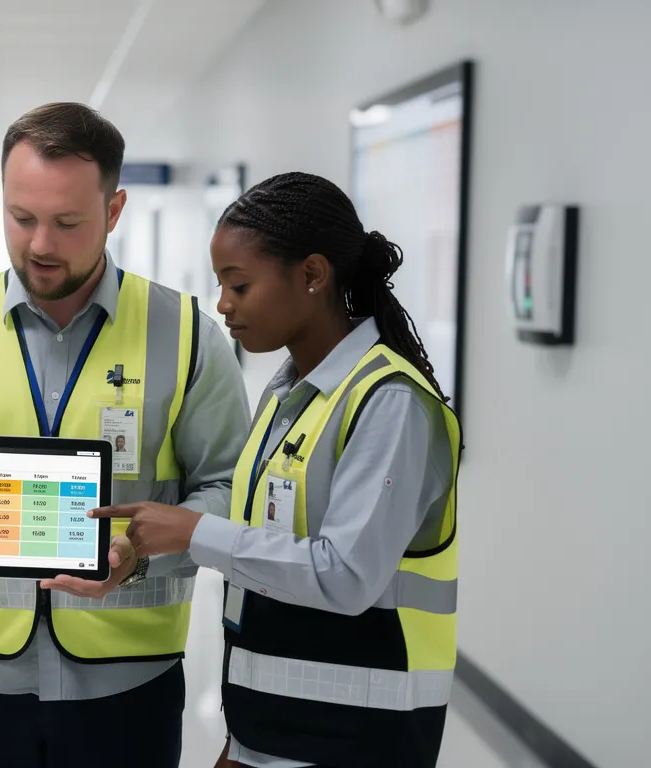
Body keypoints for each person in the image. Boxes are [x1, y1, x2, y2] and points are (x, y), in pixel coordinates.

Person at [0, 102, 250, 768]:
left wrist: (137, 551)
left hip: (127, 681)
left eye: (67, 223)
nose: (40, 244)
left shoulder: (188, 336)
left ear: (114, 209)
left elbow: (227, 487)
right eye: (22, 218)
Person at [91, 172, 460, 768]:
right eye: (220, 285)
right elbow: (266, 559)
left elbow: (345, 576)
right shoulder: (287, 395)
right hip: (273, 738)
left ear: (312, 275)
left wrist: (193, 531)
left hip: (358, 742)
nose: (223, 304)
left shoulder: (389, 403)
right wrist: (242, 741)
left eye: (239, 284)